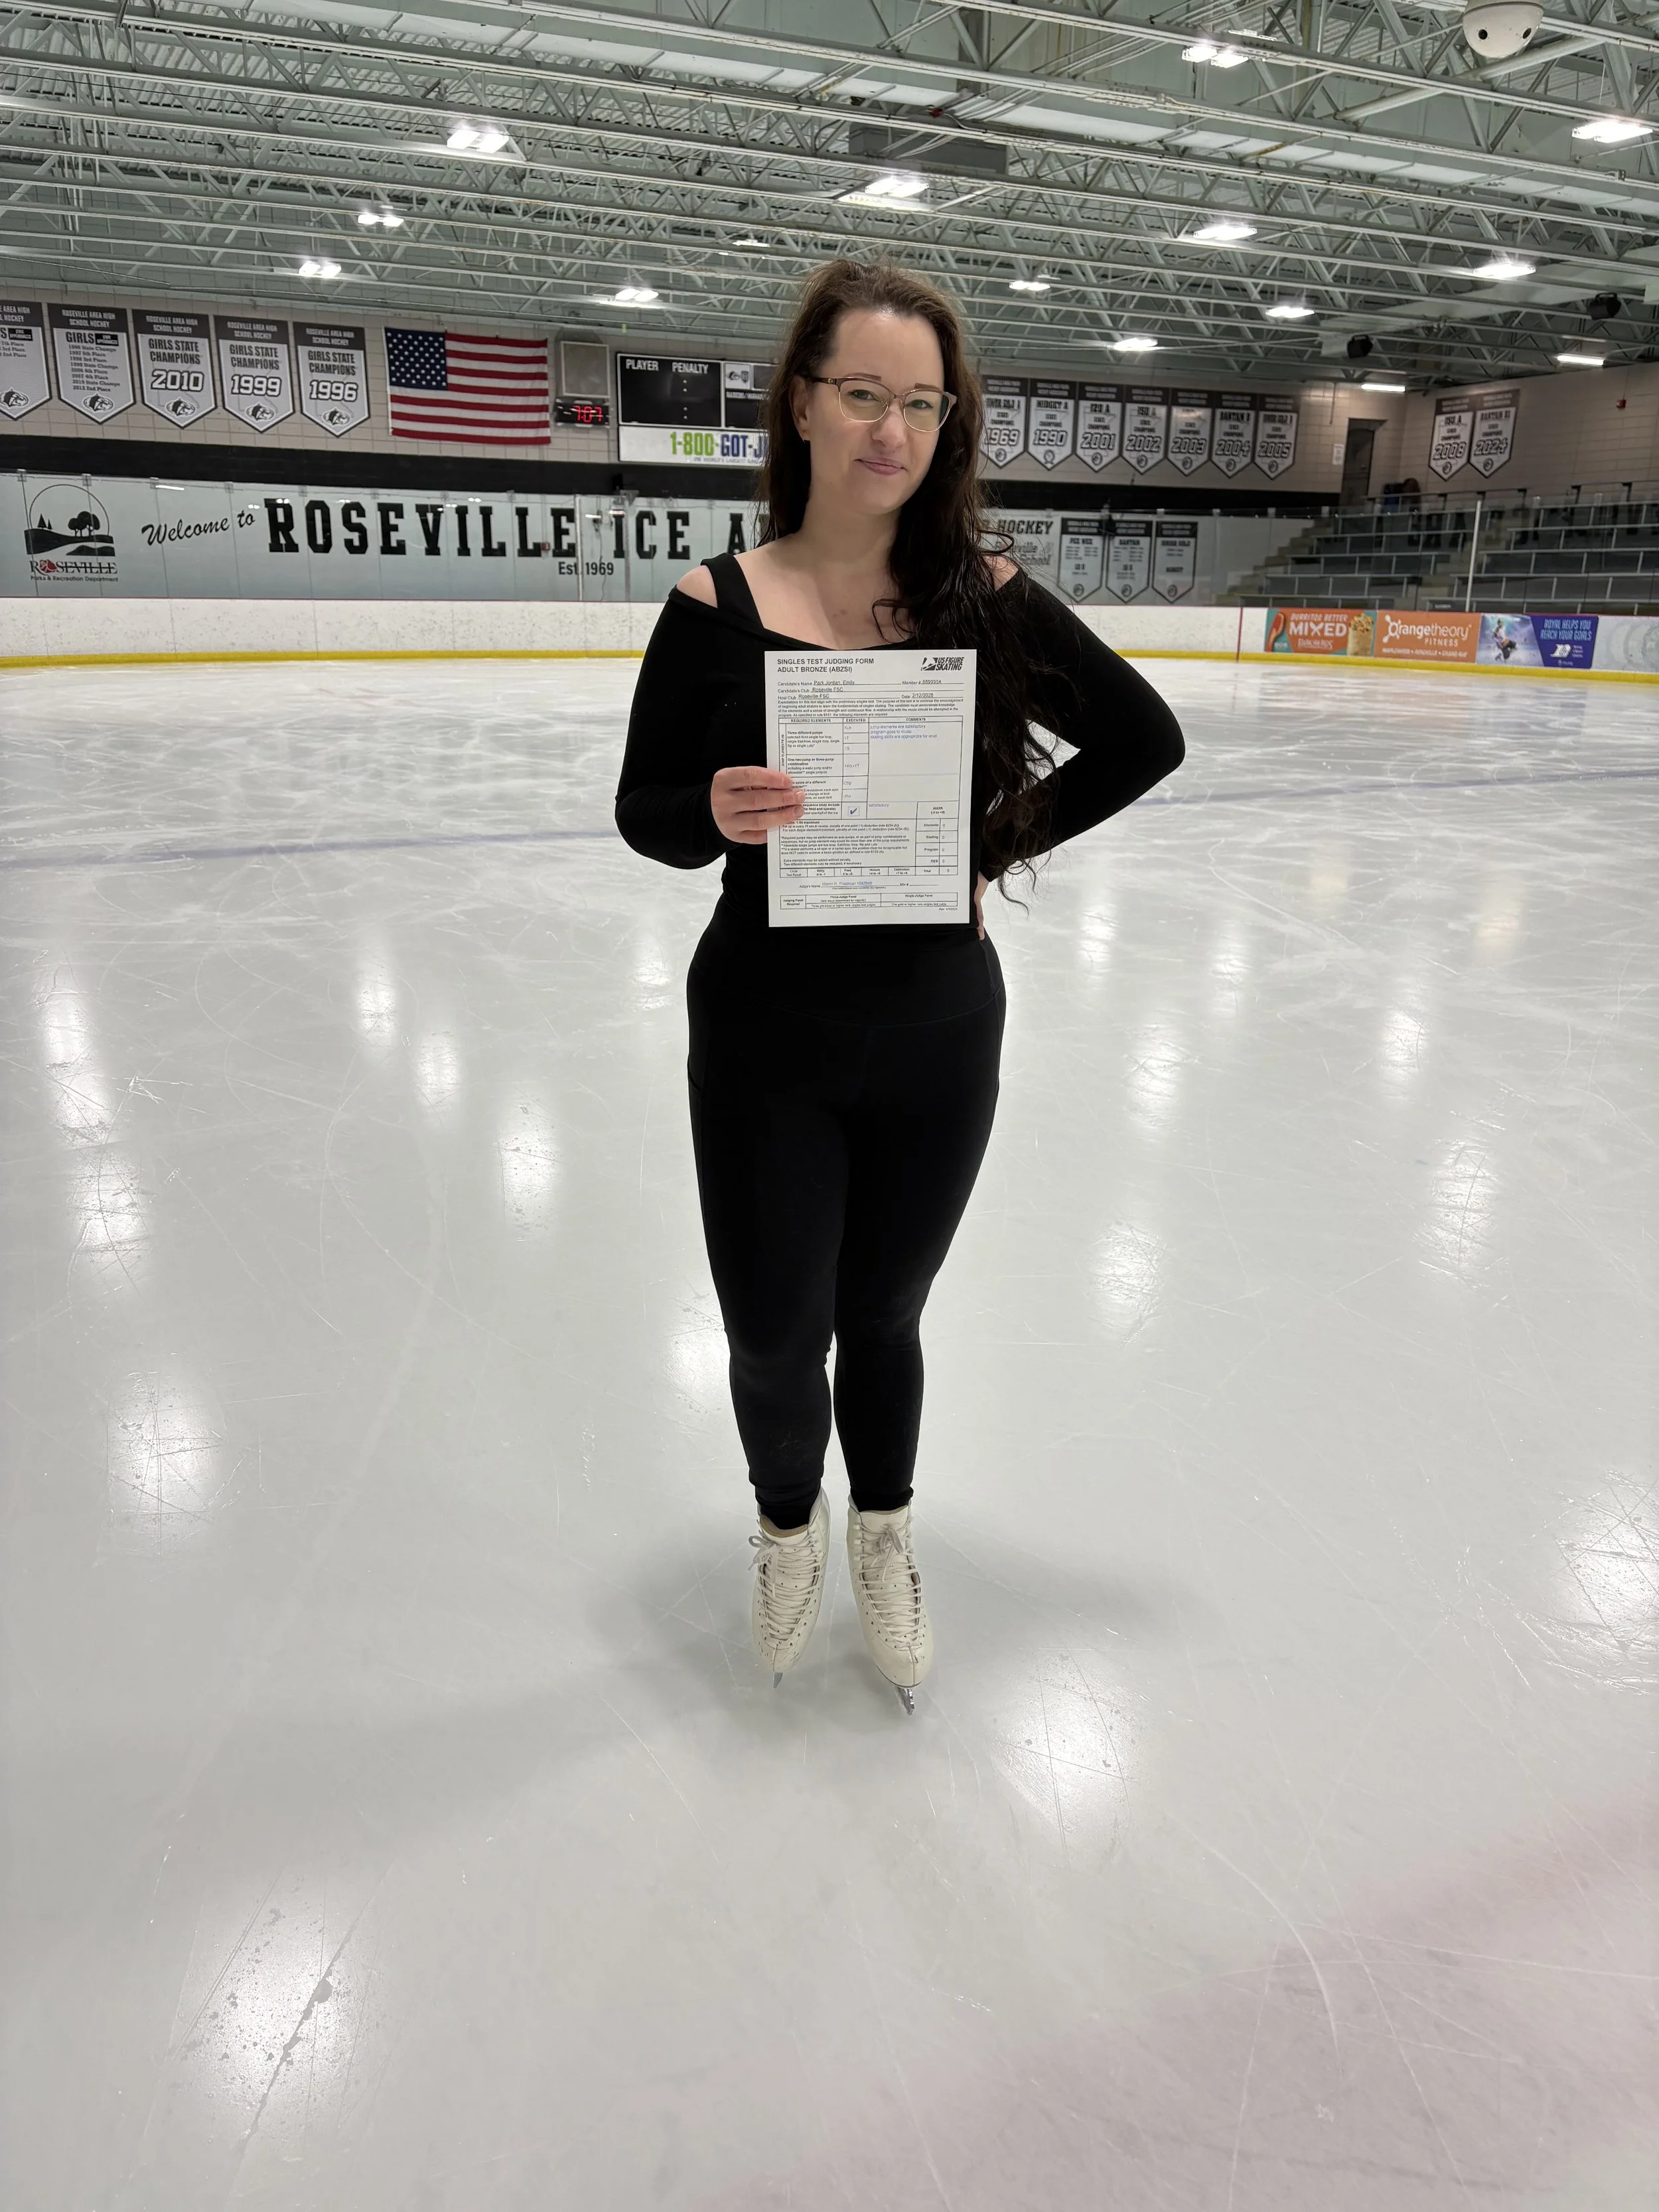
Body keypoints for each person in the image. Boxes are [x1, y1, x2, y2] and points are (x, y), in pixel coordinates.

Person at [615, 259, 1185, 1712]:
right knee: (765, 1329)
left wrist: (991, 845)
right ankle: (785, 1523)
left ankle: (884, 1533)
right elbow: (643, 810)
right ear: (801, 401)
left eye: (921, 403)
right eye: (862, 394)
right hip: (762, 1031)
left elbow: (1139, 740)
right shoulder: (713, 603)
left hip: (937, 1027)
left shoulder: (981, 596)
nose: (892, 428)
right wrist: (714, 812)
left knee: (881, 1316)